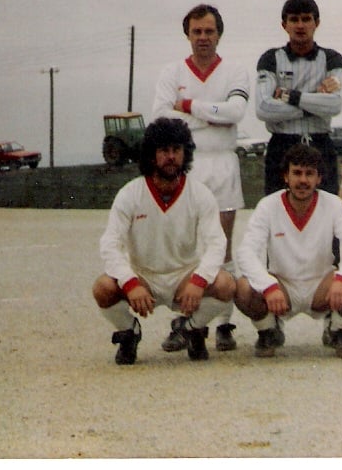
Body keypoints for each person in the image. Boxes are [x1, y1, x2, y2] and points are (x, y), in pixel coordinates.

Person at [92, 117, 236, 365]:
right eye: (164, 150)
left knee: (226, 284)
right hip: (143, 277)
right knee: (102, 288)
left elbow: (216, 244)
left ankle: (192, 328)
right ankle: (129, 332)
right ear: (151, 155)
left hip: (184, 277)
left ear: (185, 153)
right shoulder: (130, 193)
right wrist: (130, 283)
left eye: (176, 150)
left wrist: (199, 281)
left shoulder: (200, 193)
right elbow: (110, 244)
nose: (171, 157)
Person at [152, 3, 250, 353]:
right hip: (188, 167)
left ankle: (224, 324)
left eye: (209, 31)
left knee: (221, 245)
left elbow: (236, 111)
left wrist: (189, 106)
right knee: (188, 247)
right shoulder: (171, 72)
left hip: (223, 164)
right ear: (188, 35)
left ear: (219, 34)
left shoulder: (234, 71)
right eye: (197, 31)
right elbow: (160, 117)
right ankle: (186, 322)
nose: (203, 37)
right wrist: (212, 116)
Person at [233, 144, 342, 359]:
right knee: (242, 287)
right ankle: (268, 330)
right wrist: (268, 286)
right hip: (282, 286)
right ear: (285, 176)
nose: (303, 180)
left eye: (309, 174)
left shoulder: (333, 204)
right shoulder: (268, 206)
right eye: (296, 173)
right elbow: (246, 252)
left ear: (319, 178)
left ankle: (337, 329)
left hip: (321, 286)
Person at [256, 0, 342, 199]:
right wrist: (314, 102)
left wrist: (290, 96)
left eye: (306, 19)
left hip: (320, 143)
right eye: (294, 19)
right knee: (277, 208)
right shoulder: (271, 58)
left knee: (326, 208)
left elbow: (335, 105)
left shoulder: (332, 58)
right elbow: (263, 108)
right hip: (282, 145)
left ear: (317, 23)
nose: (300, 25)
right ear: (284, 25)